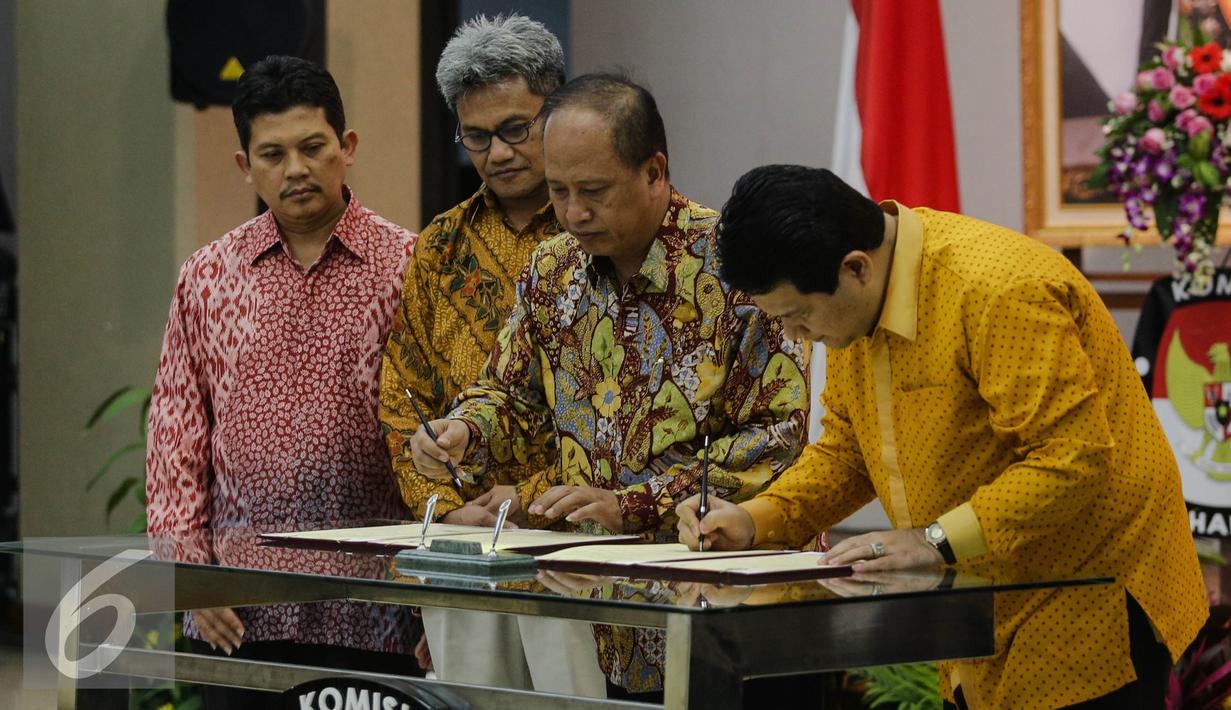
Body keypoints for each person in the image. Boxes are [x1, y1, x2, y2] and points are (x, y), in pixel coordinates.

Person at [676, 164, 1208, 709]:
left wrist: (932, 541)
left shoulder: (997, 288)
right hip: (978, 607)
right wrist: (755, 519)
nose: (794, 336)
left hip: (1088, 599)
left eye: (798, 316)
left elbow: (1072, 460)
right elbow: (846, 455)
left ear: (856, 267)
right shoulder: (853, 312)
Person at [410, 74, 810, 699]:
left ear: (655, 171)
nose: (573, 213)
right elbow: (509, 395)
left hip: (727, 612)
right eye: (559, 191)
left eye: (593, 191)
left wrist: (637, 502)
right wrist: (465, 430)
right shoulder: (551, 267)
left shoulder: (735, 267)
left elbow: (782, 437)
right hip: (598, 619)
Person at [145, 55, 419, 708]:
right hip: (240, 607)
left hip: (376, 608)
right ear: (246, 164)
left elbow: (442, 431)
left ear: (346, 148)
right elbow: (175, 433)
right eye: (272, 153)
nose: (295, 169)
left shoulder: (410, 269)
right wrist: (187, 575)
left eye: (312, 147)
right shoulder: (207, 277)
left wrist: (437, 599)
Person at [378, 14, 608, 694]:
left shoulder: (601, 230)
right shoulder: (441, 244)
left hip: (580, 535)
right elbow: (403, 394)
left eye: (515, 129)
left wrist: (532, 501)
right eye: (476, 137)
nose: (498, 153)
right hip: (466, 540)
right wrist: (445, 507)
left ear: (558, 111)